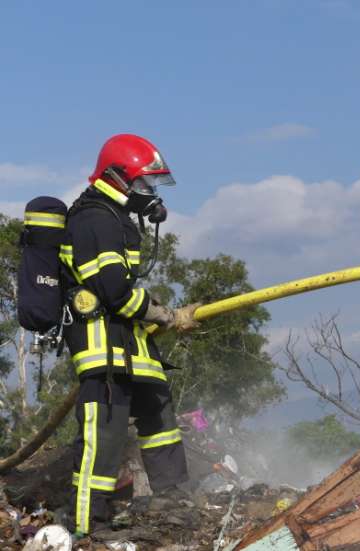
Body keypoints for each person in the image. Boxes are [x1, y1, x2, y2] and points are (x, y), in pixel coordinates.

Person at [60, 133, 200, 535]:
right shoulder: (94, 219)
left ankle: (173, 501)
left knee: (161, 420)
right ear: (118, 178)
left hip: (132, 346)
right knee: (104, 438)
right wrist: (169, 316)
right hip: (103, 349)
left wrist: (161, 317)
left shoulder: (116, 218)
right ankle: (90, 525)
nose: (150, 193)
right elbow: (115, 293)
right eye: (144, 184)